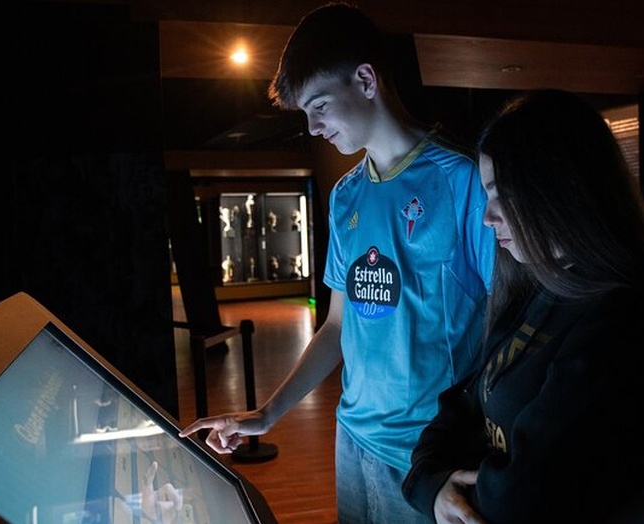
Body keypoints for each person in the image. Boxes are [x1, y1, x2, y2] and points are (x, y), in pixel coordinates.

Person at [179, 3, 495, 523]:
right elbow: (337, 327)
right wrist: (266, 413)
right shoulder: (346, 195)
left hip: (430, 457)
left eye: (320, 105)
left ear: (366, 79)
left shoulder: (460, 181)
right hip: (351, 441)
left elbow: (505, 324)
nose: (313, 126)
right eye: (306, 113)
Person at [401, 89, 644, 524]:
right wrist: (431, 485)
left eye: (502, 194)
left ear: (561, 190)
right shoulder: (538, 289)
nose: (488, 217)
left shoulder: (626, 326)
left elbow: (521, 499)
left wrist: (438, 483)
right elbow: (461, 406)